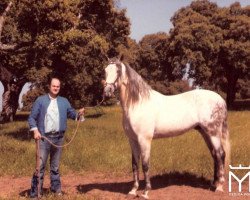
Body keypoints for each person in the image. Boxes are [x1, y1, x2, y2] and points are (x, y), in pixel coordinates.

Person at [28, 77, 84, 198]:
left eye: (58, 86)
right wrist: (35, 130)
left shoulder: (64, 101)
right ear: (49, 86)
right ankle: (35, 193)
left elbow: (72, 114)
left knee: (55, 167)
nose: (55, 88)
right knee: (40, 166)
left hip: (59, 138)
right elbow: (32, 117)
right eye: (54, 86)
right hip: (43, 138)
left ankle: (56, 189)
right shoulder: (40, 100)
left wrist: (79, 114)